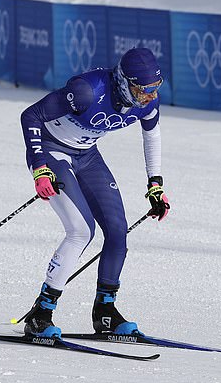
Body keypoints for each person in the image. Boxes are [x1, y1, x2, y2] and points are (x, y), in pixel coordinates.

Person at [19, 47, 170, 338]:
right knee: (80, 231)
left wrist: (156, 184)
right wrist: (39, 166)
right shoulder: (88, 91)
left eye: (155, 89)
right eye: (143, 90)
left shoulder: (147, 102)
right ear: (124, 82)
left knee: (117, 231)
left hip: (87, 155)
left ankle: (105, 312)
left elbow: (152, 134)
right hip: (52, 151)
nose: (149, 96)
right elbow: (32, 115)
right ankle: (40, 314)